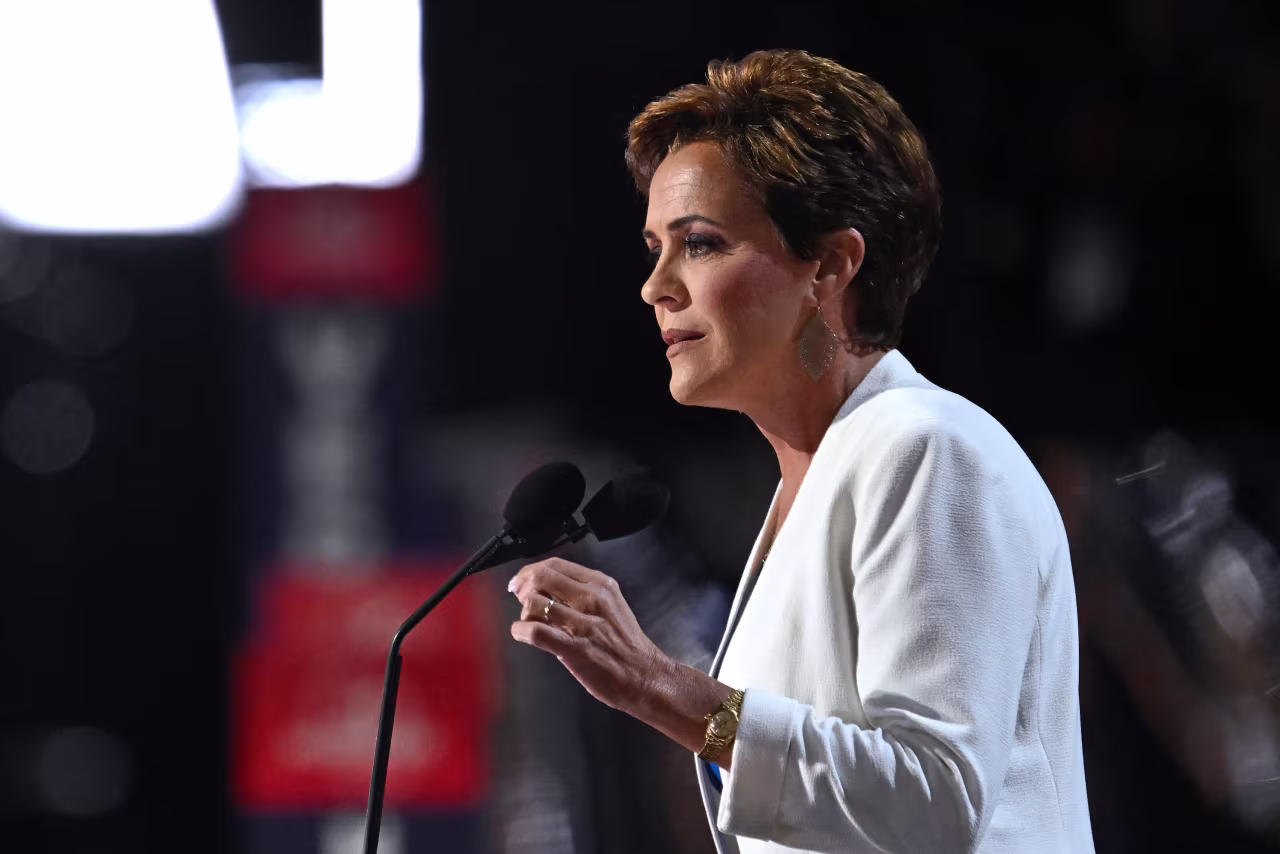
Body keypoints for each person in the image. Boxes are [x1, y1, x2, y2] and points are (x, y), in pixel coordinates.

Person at [506, 49, 1094, 853]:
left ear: (830, 265)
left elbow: (935, 801)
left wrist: (657, 684)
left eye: (701, 243)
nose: (657, 286)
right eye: (656, 248)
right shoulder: (817, 482)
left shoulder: (926, 449)